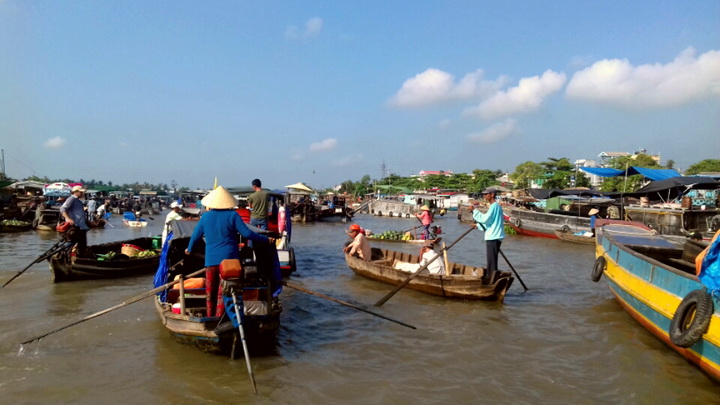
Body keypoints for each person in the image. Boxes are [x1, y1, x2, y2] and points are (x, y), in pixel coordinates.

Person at [184, 186, 274, 317]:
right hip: (229, 262)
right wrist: (265, 239)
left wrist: (189, 249)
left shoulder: (206, 217)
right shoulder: (233, 215)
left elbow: (195, 236)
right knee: (224, 292)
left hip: (211, 261)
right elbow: (247, 233)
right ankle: (220, 318)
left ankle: (210, 317)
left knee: (210, 293)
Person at [470, 187, 505, 284]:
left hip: (493, 236)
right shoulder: (495, 206)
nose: (484, 196)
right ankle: (490, 277)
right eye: (484, 194)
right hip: (494, 235)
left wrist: (474, 211)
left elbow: (486, 219)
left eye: (486, 194)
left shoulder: (494, 206)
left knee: (491, 261)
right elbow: (489, 223)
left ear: (492, 195)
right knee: (491, 260)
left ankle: (491, 280)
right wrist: (477, 225)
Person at [60, 185, 90, 257]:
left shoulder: (78, 201)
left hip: (81, 227)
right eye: (81, 192)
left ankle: (80, 258)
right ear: (75, 192)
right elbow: (62, 209)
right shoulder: (71, 199)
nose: (82, 194)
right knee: (70, 244)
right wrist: (69, 219)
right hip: (75, 226)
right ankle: (65, 258)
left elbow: (79, 214)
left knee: (82, 245)